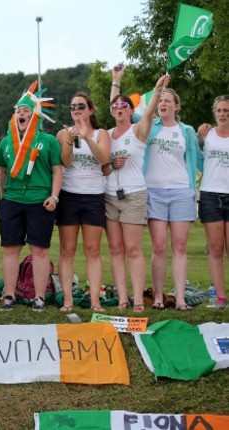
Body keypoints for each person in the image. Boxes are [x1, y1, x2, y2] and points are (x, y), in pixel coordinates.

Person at [104, 73, 169, 312]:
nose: (119, 108)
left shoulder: (138, 130)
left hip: (133, 195)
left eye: (124, 105)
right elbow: (104, 165)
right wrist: (116, 80)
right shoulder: (107, 135)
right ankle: (123, 298)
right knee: (115, 249)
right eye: (115, 106)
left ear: (131, 111)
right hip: (110, 196)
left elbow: (150, 110)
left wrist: (157, 88)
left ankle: (138, 300)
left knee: (132, 249)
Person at [0, 82, 62, 312]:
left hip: (40, 200)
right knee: (10, 249)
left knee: (40, 250)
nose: (21, 114)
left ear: (35, 115)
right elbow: (3, 171)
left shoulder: (49, 140)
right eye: (18, 111)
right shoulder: (6, 142)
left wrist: (54, 196)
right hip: (12, 200)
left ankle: (40, 297)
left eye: (26, 111)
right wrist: (4, 197)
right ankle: (8, 295)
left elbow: (57, 170)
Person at [144, 86, 201, 311]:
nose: (163, 103)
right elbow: (130, 114)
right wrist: (116, 83)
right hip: (154, 191)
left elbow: (198, 159)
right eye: (161, 100)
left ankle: (180, 299)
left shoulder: (186, 131)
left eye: (168, 100)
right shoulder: (150, 126)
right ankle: (158, 296)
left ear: (177, 106)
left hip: (181, 192)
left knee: (180, 245)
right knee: (159, 246)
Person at [55, 93, 110, 312]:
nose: (76, 109)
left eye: (81, 106)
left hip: (93, 196)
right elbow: (65, 162)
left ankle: (95, 300)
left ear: (90, 109)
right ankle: (68, 300)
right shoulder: (63, 133)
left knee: (92, 250)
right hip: (69, 195)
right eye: (73, 106)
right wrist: (70, 139)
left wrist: (87, 137)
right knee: (67, 250)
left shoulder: (101, 133)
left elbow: (104, 159)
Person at [196, 95, 229, 309]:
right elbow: (194, 154)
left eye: (226, 110)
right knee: (216, 249)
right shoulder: (206, 135)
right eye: (219, 110)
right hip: (210, 195)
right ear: (214, 112)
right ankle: (220, 298)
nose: (223, 114)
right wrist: (200, 133)